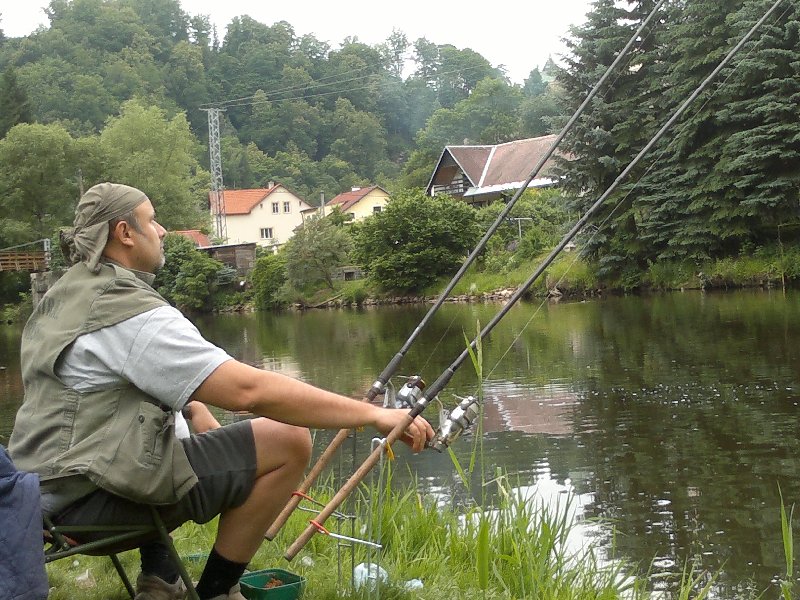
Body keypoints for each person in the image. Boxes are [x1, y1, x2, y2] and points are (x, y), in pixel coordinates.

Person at [8, 182, 434, 600]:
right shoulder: (125, 309)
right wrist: (373, 414)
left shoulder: (63, 298)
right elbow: (249, 390)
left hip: (39, 495)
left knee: (177, 440)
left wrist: (194, 407)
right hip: (92, 504)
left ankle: (161, 578)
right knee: (287, 439)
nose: (162, 231)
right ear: (124, 233)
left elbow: (116, 385)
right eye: (152, 221)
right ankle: (216, 591)